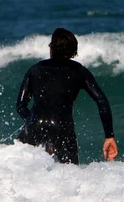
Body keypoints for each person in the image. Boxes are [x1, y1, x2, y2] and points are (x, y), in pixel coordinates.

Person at [15, 28, 118, 164]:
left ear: (51, 47)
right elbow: (101, 101)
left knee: (21, 169)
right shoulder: (79, 72)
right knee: (70, 175)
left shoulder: (35, 70)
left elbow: (20, 106)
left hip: (34, 125)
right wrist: (109, 136)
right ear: (73, 51)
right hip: (62, 128)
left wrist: (33, 121)